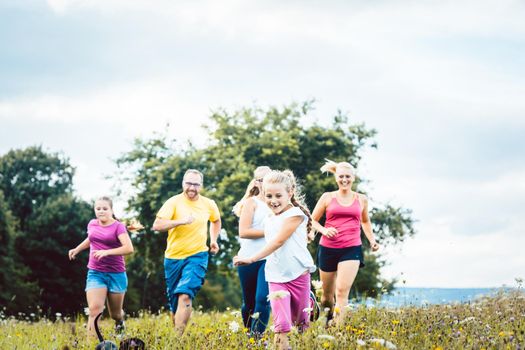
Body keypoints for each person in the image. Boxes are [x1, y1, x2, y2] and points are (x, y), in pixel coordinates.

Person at [234, 170, 316, 350]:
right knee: (281, 325)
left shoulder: (295, 214)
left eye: (278, 195)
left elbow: (279, 241)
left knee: (301, 324)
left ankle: (309, 299)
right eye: (269, 195)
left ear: (290, 193)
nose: (273, 200)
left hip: (298, 274)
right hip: (275, 276)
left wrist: (252, 258)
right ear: (262, 194)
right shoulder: (269, 218)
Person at [152, 169, 221, 335]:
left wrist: (213, 240)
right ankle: (177, 332)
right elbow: (157, 225)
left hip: (197, 255)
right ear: (183, 183)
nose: (192, 187)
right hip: (173, 258)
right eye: (189, 183)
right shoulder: (173, 202)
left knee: (185, 294)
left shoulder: (208, 204)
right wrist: (180, 221)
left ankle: (177, 340)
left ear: (201, 186)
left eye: (196, 184)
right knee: (175, 303)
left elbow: (216, 220)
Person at [310, 159, 379, 325]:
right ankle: (327, 323)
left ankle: (339, 330)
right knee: (327, 296)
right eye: (341, 176)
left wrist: (372, 240)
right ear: (336, 178)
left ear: (353, 178)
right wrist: (324, 230)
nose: (344, 180)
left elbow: (365, 222)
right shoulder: (327, 197)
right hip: (327, 248)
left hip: (351, 248)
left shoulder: (361, 199)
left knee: (341, 291)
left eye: (348, 176)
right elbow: (312, 220)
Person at [68, 196, 134, 340]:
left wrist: (107, 252)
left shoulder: (118, 226)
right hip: (96, 273)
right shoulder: (92, 224)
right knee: (94, 309)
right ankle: (92, 344)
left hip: (116, 274)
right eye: (98, 209)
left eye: (105, 208)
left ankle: (120, 323)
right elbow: (91, 239)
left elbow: (129, 248)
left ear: (111, 210)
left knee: (115, 314)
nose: (101, 211)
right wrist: (77, 249)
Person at [232, 166, 272, 337]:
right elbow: (244, 232)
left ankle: (257, 338)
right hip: (247, 258)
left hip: (269, 257)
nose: (265, 184)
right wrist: (272, 231)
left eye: (269, 179)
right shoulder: (251, 203)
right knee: (248, 303)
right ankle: (249, 335)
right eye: (261, 180)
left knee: (262, 299)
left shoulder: (278, 202)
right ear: (256, 182)